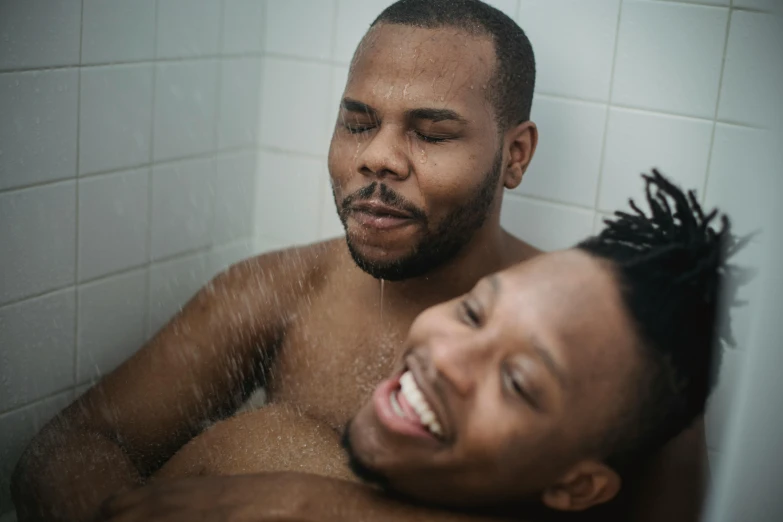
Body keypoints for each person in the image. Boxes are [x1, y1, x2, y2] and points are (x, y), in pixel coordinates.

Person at [11, 1, 707, 520]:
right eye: (358, 122)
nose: (376, 156)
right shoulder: (278, 291)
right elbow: (69, 447)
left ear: (514, 155)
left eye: (431, 133)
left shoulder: (612, 358)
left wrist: (326, 506)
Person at [99, 172, 741, 522]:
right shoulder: (252, 458)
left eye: (516, 383)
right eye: (471, 312)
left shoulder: (650, 416)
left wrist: (317, 507)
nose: (447, 356)